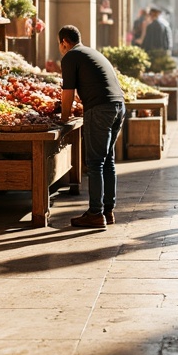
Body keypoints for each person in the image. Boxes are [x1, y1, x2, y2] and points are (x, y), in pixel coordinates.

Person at [58, 24, 126, 229]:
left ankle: (95, 214)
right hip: (118, 106)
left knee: (95, 162)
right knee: (107, 160)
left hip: (100, 109)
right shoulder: (91, 52)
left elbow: (67, 92)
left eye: (59, 44)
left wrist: (63, 119)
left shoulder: (70, 56)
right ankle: (108, 211)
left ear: (64, 42)